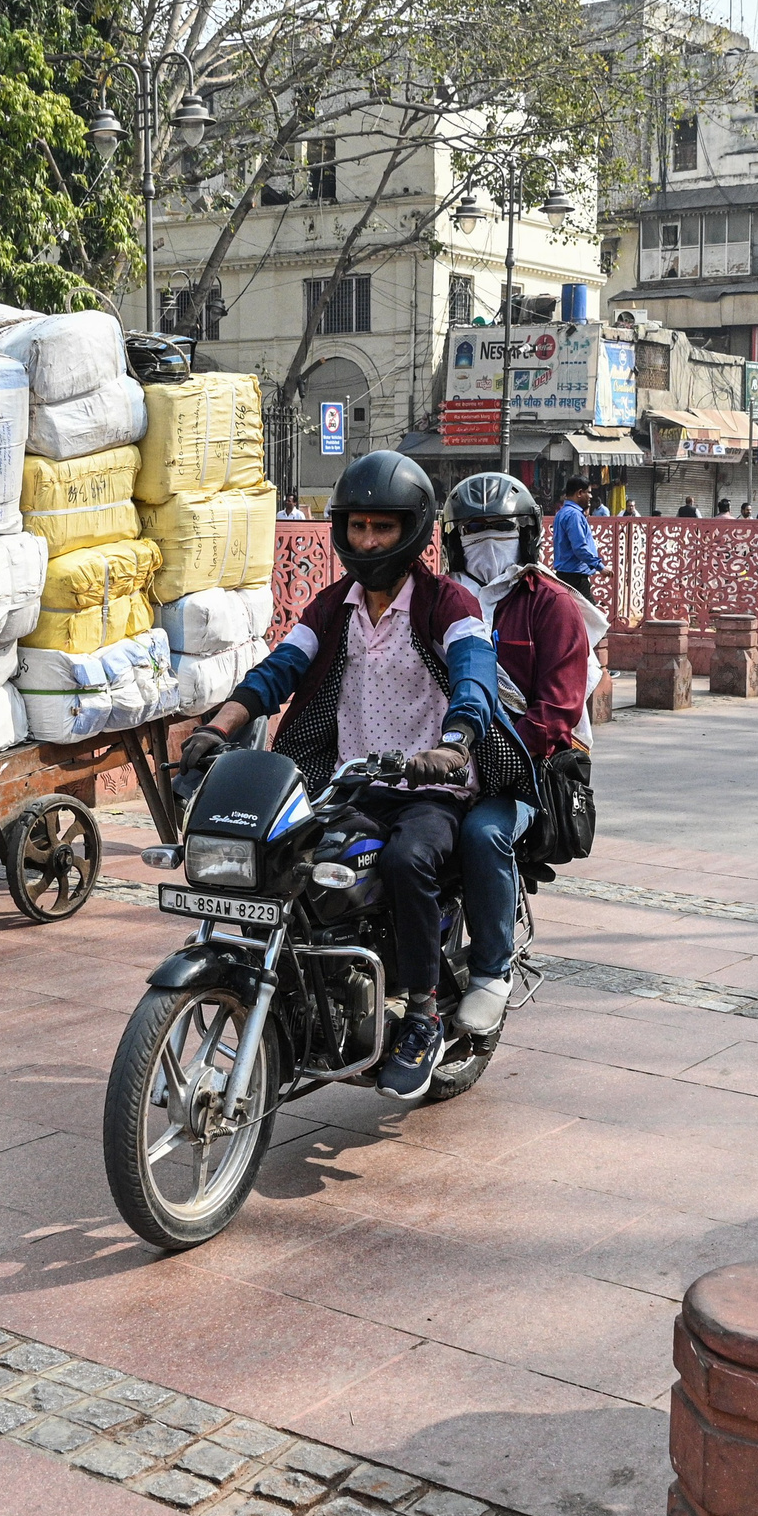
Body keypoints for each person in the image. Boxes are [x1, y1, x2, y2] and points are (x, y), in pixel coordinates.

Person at [176, 451, 514, 1101]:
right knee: (293, 862)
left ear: (412, 529)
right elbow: (278, 671)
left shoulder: (449, 602)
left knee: (408, 862)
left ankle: (421, 1011)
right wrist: (218, 727)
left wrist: (456, 742)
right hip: (353, 785)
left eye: (382, 528)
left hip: (428, 789)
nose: (368, 541)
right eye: (358, 527)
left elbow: (473, 673)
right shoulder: (334, 606)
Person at [440, 473, 597, 1035]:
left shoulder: (550, 605)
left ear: (526, 536)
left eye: (501, 530)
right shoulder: (436, 599)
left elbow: (557, 713)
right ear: (454, 538)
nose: (488, 542)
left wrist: (488, 764)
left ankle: (491, 972)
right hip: (437, 760)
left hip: (522, 773)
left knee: (482, 833)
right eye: (475, 531)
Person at [550, 477, 601, 605]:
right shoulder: (574, 515)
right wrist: (600, 566)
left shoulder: (562, 513)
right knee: (593, 620)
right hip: (575, 577)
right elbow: (579, 547)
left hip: (565, 574)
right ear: (579, 493)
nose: (590, 496)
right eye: (588, 492)